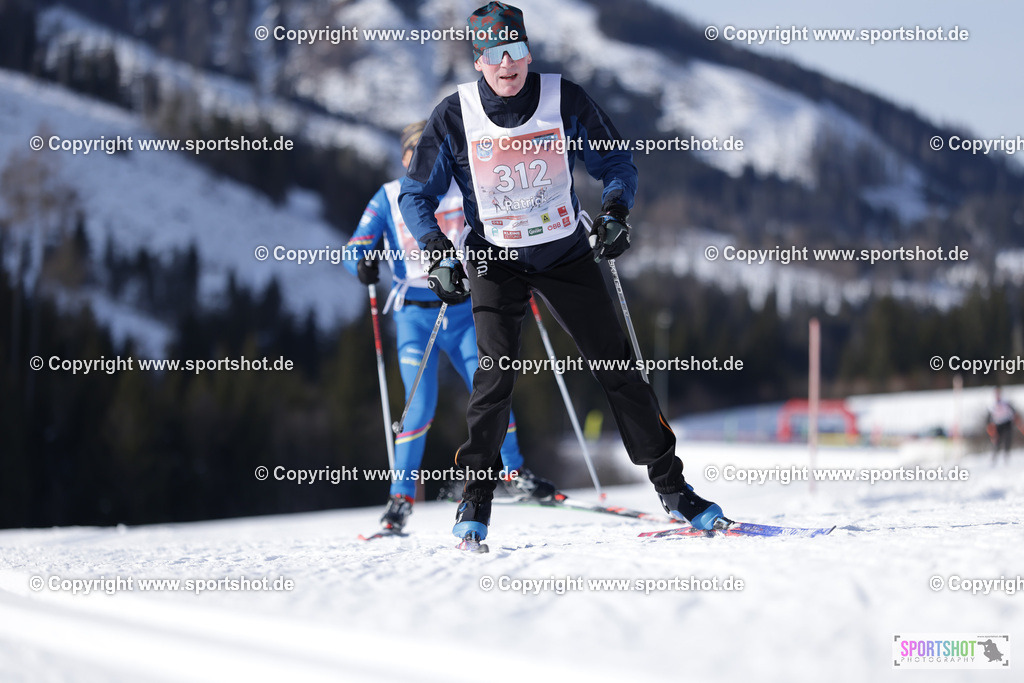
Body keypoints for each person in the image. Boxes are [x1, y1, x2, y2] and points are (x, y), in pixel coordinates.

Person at [399, 2, 726, 543]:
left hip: (564, 253)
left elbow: (615, 160)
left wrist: (616, 211)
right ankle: (476, 500)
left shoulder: (563, 97)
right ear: (478, 61)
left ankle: (675, 490)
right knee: (495, 375)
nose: (508, 63)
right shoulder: (454, 115)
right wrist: (436, 251)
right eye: (494, 53)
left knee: (618, 366)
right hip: (494, 257)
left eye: (517, 49)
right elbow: (417, 194)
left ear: (528, 51)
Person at [344, 120, 557, 533]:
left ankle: (514, 474)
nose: (420, 159)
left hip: (463, 309)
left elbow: (503, 224)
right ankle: (401, 499)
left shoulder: (465, 184)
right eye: (412, 153)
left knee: (493, 387)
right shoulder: (390, 195)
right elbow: (357, 244)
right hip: (415, 316)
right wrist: (363, 262)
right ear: (404, 157)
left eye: (428, 149)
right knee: (418, 406)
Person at [986, 387, 1023, 462]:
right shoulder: (992, 404)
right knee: (997, 441)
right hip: (998, 424)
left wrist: (1017, 420)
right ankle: (995, 456)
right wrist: (989, 426)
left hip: (1007, 422)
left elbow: (1014, 412)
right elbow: (989, 417)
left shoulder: (1006, 402)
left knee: (1007, 438)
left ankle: (1006, 456)